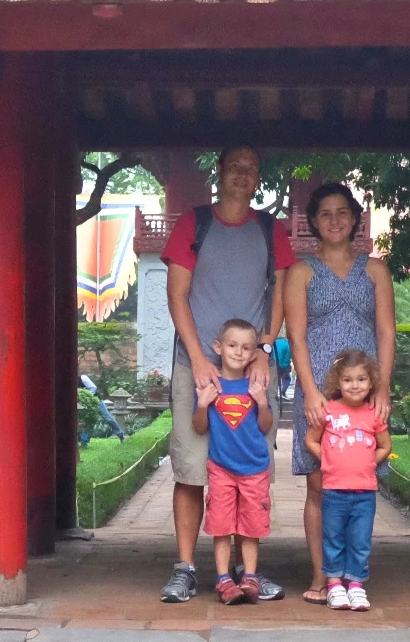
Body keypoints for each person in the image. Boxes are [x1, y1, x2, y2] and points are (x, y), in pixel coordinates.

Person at [159, 145, 295, 603]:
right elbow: (177, 294)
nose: (243, 175)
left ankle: (243, 569)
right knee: (192, 468)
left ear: (259, 178)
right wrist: (199, 357)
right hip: (197, 365)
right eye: (234, 167)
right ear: (219, 172)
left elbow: (278, 293)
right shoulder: (193, 224)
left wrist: (265, 346)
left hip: (252, 366)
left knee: (247, 468)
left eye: (251, 169)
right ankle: (185, 567)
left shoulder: (268, 229)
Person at [281, 182, 395, 604]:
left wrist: (383, 389)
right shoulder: (302, 271)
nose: (334, 220)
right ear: (313, 220)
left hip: (365, 392)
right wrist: (311, 393)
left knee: (359, 484)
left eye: (342, 211)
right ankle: (322, 576)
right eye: (325, 213)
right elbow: (295, 335)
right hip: (321, 391)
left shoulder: (375, 269)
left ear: (354, 217)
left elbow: (385, 330)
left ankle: (355, 576)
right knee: (319, 486)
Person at [193, 319, 277, 605]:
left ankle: (250, 577)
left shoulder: (255, 385)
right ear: (218, 347)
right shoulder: (211, 386)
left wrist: (262, 402)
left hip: (254, 468)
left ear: (254, 353)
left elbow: (266, 426)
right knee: (221, 526)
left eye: (246, 348)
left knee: (252, 527)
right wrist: (203, 404)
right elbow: (199, 426)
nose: (238, 353)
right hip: (221, 469)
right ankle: (223, 579)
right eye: (232, 345)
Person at [305, 349, 391, 612]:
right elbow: (311, 439)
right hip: (334, 491)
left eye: (362, 379)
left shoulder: (373, 415)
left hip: (364, 492)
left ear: (371, 383)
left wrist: (368, 462)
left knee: (360, 540)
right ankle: (333, 585)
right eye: (348, 380)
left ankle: (355, 585)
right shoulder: (329, 410)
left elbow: (385, 446)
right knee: (333, 538)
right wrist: (328, 460)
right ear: (337, 383)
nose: (355, 385)